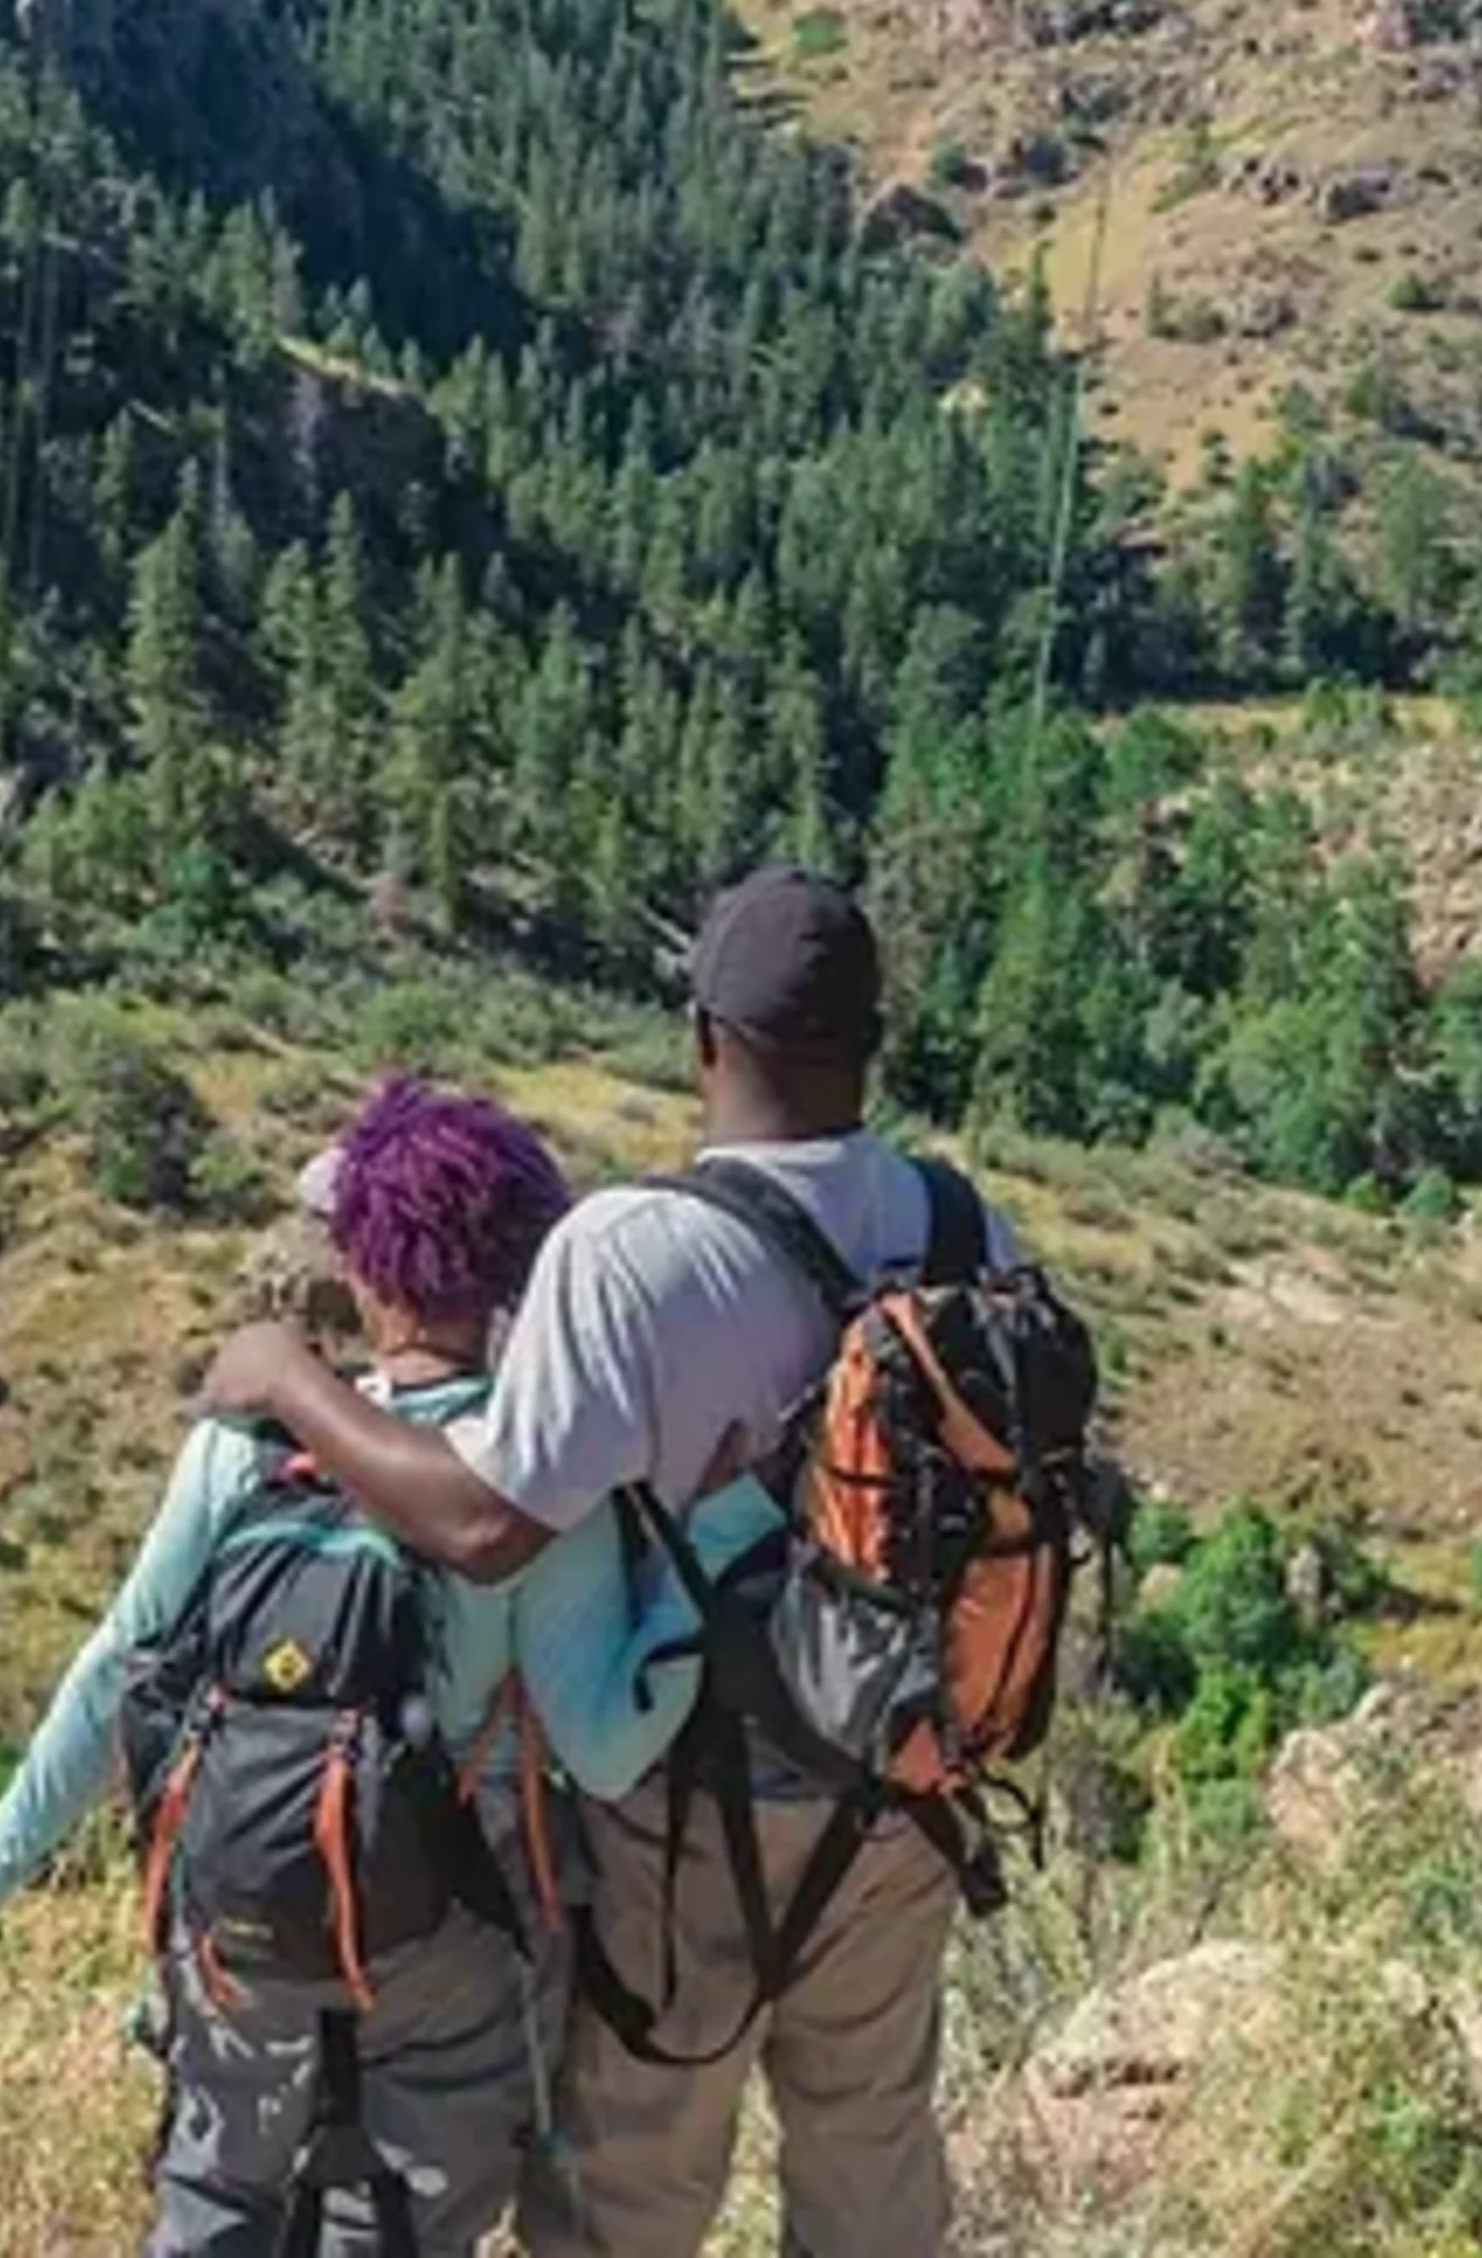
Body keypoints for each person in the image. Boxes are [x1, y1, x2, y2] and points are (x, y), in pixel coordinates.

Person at [205, 869, 1016, 2258]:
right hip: (906, 1780)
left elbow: (482, 1522)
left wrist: (293, 1383)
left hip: (693, 1794)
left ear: (705, 1036)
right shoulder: (963, 1227)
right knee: (870, 2153)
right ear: (872, 1041)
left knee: (629, 2182)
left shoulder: (629, 1249)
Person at [0, 1077, 690, 2257]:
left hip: (242, 1929)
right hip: (451, 1945)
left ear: (365, 1273)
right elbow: (604, 1745)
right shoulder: (532, 1487)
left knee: (215, 2213)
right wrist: (701, 1554)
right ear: (523, 1274)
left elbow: (118, 1669)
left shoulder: (248, 1445)